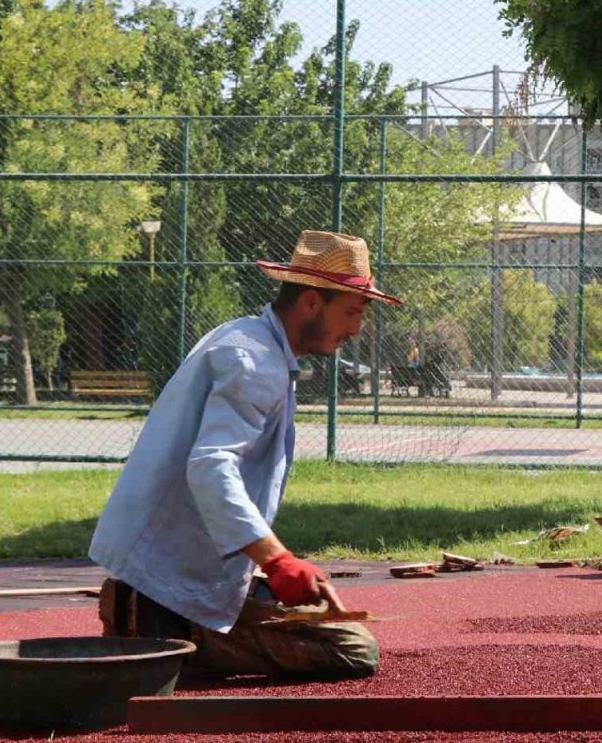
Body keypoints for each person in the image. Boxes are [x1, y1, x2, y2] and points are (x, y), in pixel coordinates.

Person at [89, 230, 401, 678]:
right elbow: (211, 466)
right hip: (165, 584)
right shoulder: (255, 361)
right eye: (352, 312)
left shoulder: (249, 340)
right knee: (352, 651)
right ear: (312, 302)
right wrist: (278, 562)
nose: (356, 329)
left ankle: (167, 639)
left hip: (172, 574)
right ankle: (172, 648)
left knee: (343, 637)